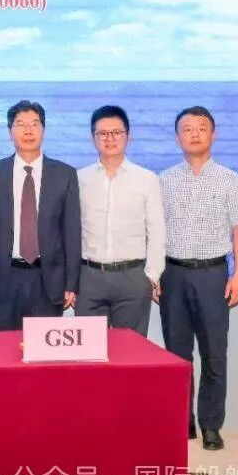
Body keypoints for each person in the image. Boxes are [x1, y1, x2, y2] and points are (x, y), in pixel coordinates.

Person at [159, 106, 238, 451]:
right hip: (173, 274)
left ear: (213, 135)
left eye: (201, 128)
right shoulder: (164, 180)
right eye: (187, 129)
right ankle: (181, 423)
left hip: (214, 275)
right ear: (177, 138)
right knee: (177, 354)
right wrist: (153, 274)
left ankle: (211, 424)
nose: (194, 134)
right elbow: (154, 230)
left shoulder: (230, 179)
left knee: (215, 353)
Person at [0, 100, 80, 331]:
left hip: (48, 280)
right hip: (3, 279)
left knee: (43, 349)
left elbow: (71, 231)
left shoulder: (64, 174)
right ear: (10, 132)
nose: (28, 130)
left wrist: (71, 282)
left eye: (35, 124)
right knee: (3, 348)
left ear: (43, 130)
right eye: (21, 124)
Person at [75, 105, 166, 336]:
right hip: (89, 276)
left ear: (128, 136)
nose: (110, 139)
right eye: (102, 133)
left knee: (130, 351)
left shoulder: (147, 179)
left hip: (132, 277)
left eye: (116, 132)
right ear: (93, 138)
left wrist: (151, 275)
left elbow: (156, 231)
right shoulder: (78, 179)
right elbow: (71, 230)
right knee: (88, 349)